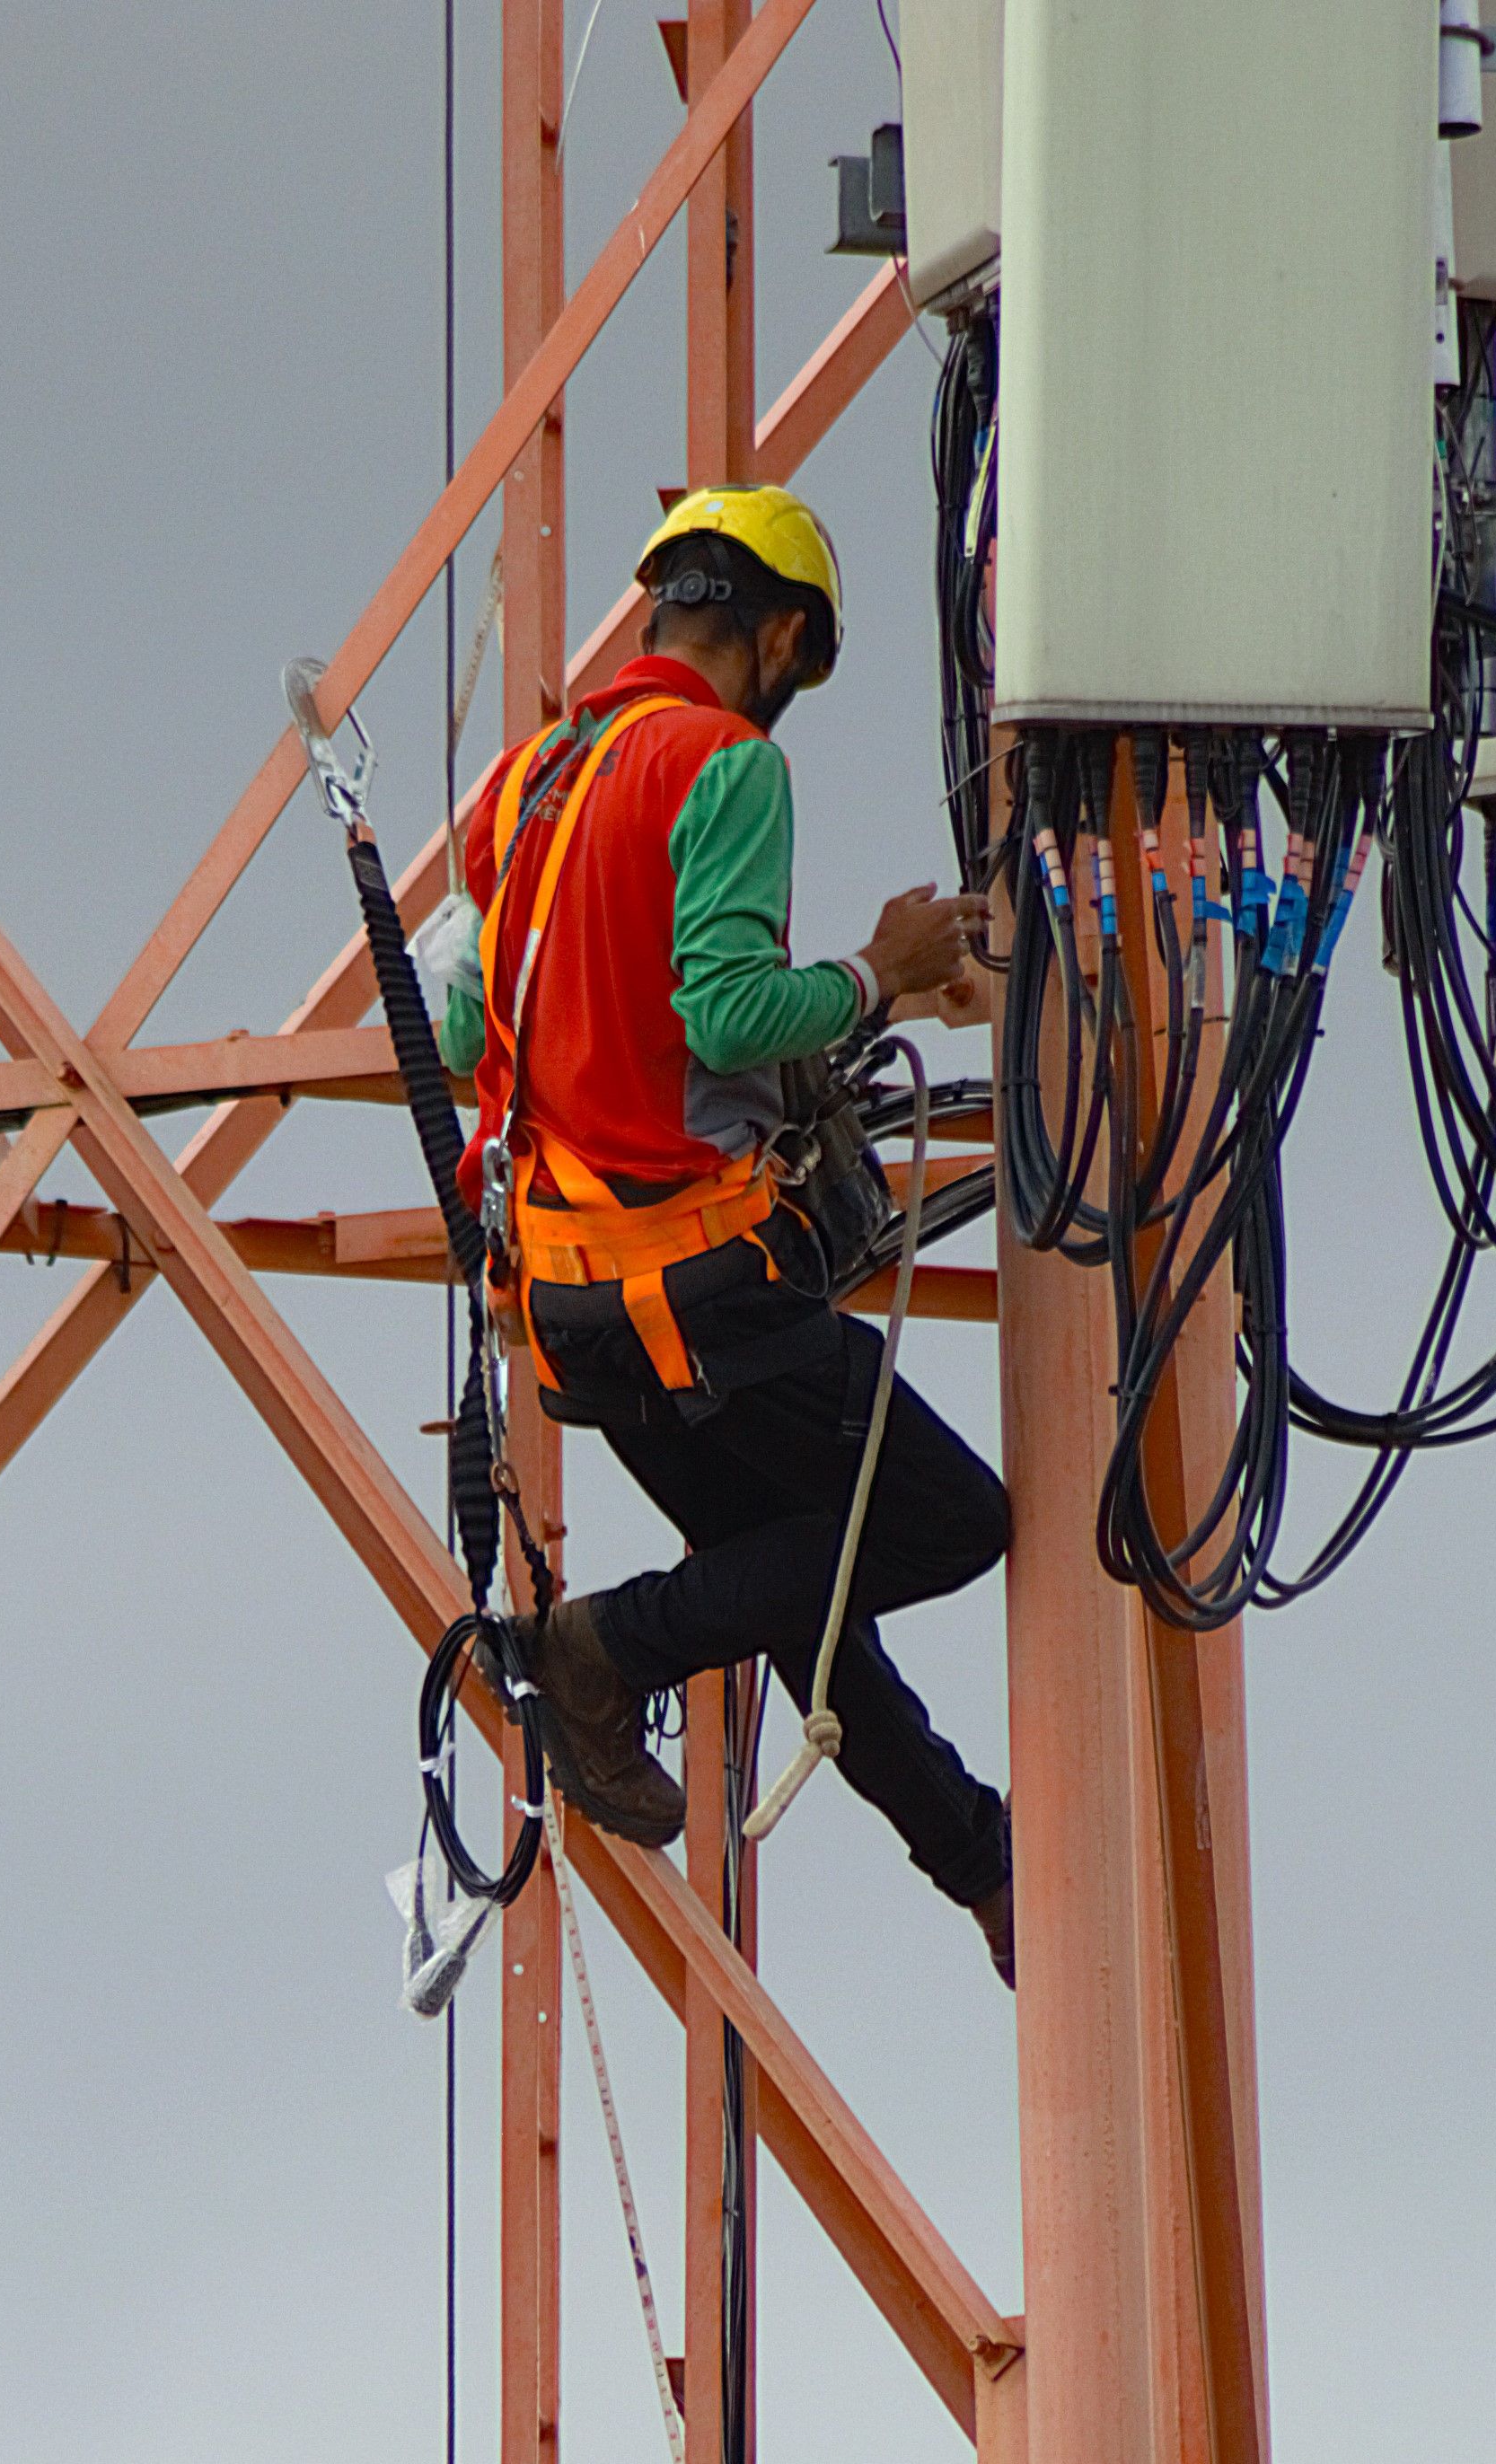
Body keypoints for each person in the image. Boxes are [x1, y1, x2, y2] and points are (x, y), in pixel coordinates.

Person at [427, 488, 1021, 1981]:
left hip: (566, 1307)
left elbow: (455, 1027)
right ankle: (603, 1651)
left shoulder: (527, 782)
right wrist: (879, 978)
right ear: (777, 635)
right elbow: (726, 1007)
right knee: (949, 1524)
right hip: (704, 1289)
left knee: (790, 1572)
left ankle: (981, 1861)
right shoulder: (725, 763)